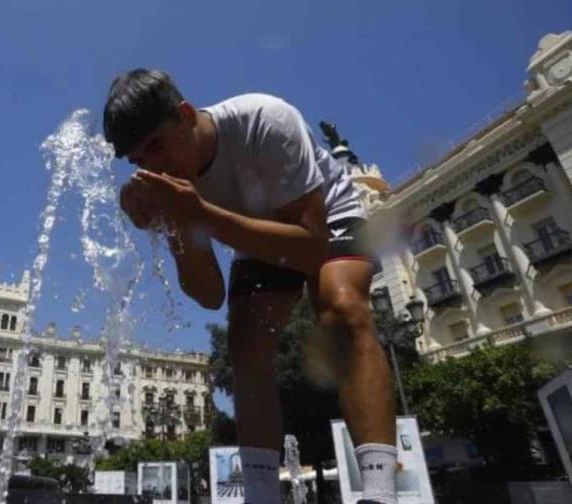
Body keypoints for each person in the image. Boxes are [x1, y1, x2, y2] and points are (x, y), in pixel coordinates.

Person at [104, 69, 398, 504]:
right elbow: (208, 294)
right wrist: (175, 225)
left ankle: (380, 491)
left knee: (341, 307)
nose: (153, 168)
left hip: (323, 219)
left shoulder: (265, 119)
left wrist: (199, 212)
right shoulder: (167, 185)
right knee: (245, 345)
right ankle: (261, 495)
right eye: (139, 162)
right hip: (254, 231)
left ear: (185, 115)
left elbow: (311, 250)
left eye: (156, 147)